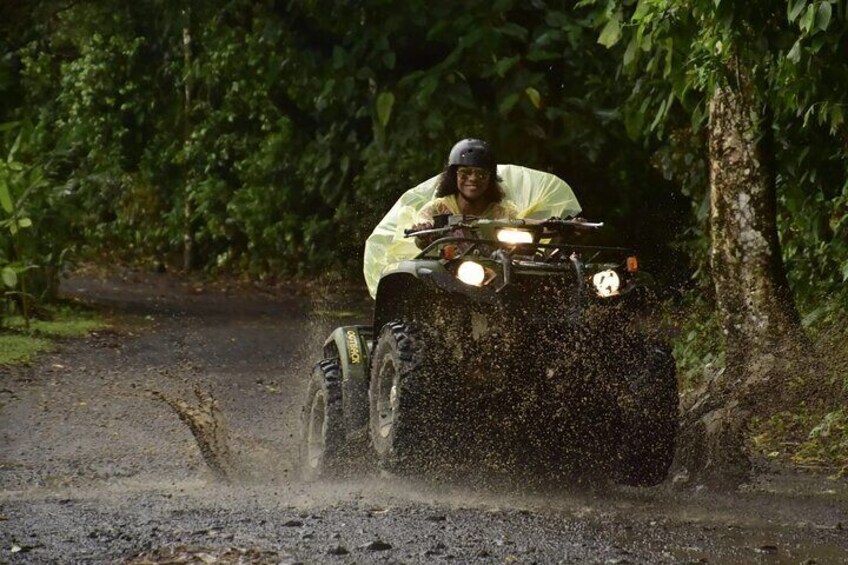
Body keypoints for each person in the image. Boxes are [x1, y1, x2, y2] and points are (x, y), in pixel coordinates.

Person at [411, 139, 518, 247]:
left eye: (481, 174)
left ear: (490, 179)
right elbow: (421, 239)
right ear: (454, 176)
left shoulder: (504, 214)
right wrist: (422, 232)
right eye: (465, 173)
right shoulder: (436, 209)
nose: (473, 178)